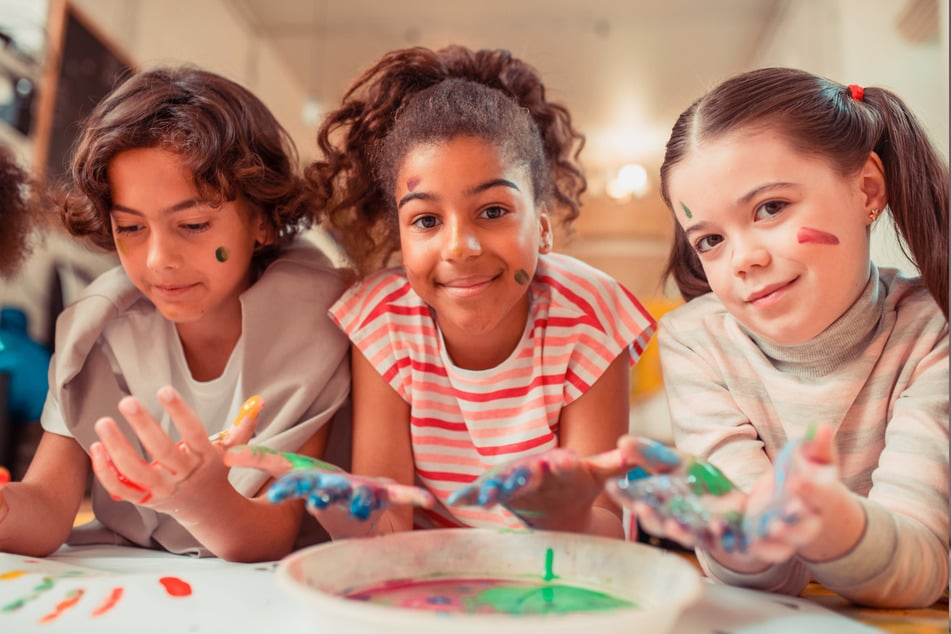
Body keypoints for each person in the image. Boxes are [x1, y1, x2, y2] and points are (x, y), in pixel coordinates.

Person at [231, 45, 656, 539]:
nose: (459, 247)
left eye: (493, 211)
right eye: (427, 220)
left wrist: (564, 514)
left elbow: (602, 527)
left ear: (542, 227)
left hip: (557, 583)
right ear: (401, 235)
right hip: (436, 586)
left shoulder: (590, 312)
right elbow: (387, 528)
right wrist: (323, 493)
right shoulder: (384, 319)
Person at [613, 67, 948, 608]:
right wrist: (733, 530)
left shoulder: (931, 332)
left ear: (867, 189)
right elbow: (768, 578)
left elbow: (921, 569)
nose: (744, 259)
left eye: (771, 208)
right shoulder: (694, 339)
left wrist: (823, 517)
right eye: (711, 239)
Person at [0, 66, 352, 562]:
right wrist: (6, 509)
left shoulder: (313, 327)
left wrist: (201, 500)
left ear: (264, 221)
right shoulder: (96, 331)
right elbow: (48, 509)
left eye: (192, 223)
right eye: (131, 227)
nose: (158, 258)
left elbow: (273, 533)